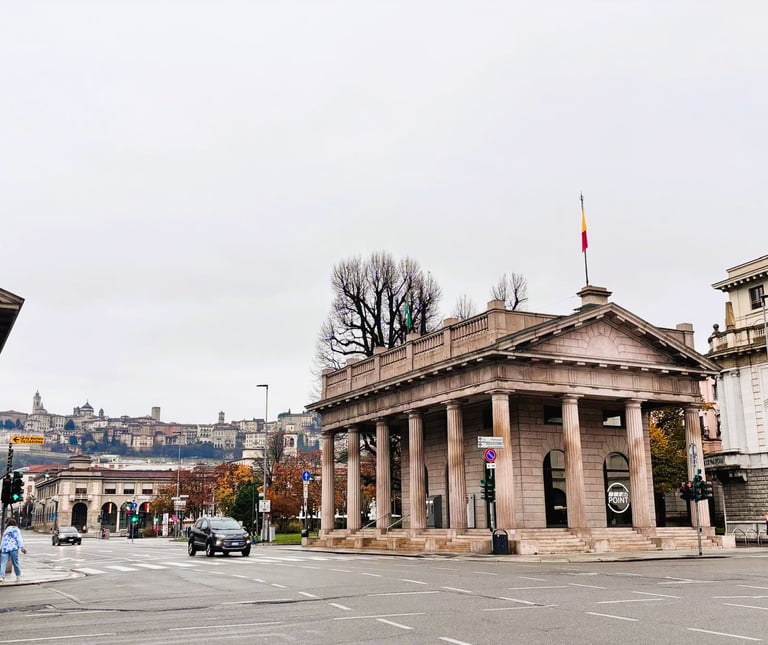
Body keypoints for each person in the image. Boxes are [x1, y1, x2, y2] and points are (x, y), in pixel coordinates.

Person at [1, 518, 27, 583]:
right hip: (13, 548)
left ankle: (1, 576)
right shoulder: (16, 530)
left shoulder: (6, 530)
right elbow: (19, 539)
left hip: (5, 548)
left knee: (3, 563)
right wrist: (22, 547)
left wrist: (1, 548)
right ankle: (18, 575)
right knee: (15, 562)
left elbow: (3, 540)